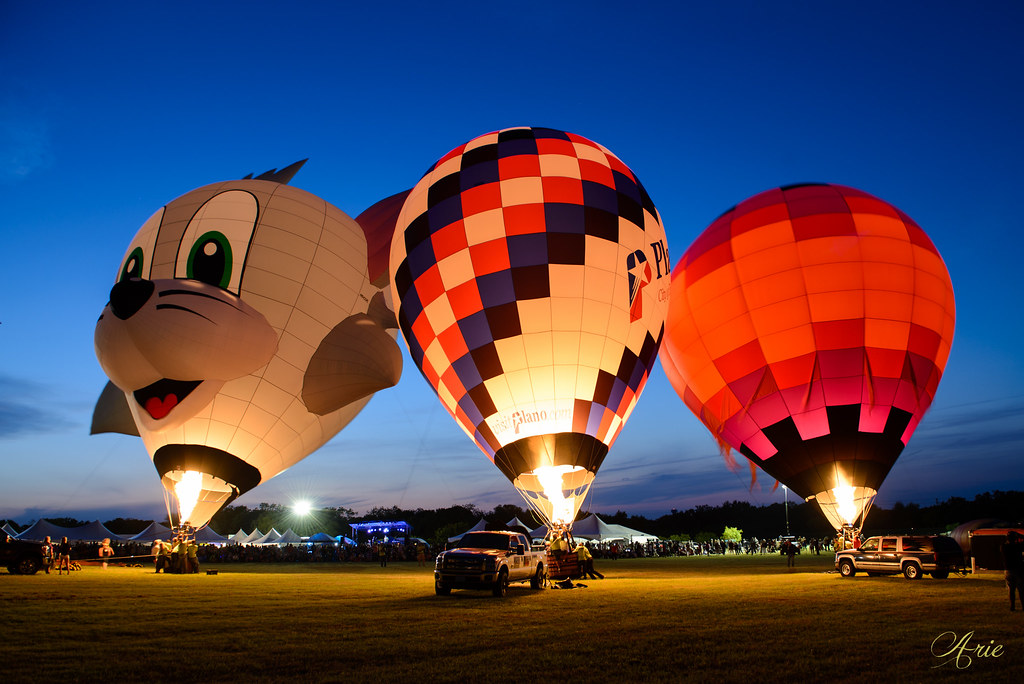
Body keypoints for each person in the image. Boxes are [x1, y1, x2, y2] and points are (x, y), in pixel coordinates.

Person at [1001, 530, 1024, 611]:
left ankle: (1012, 606)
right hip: (1018, 570)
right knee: (1021, 590)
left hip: (1008, 570)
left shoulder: (1004, 546)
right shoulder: (1017, 546)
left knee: (1011, 590)